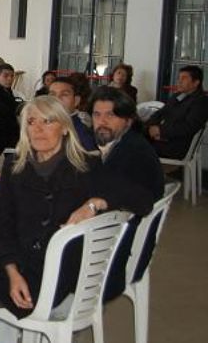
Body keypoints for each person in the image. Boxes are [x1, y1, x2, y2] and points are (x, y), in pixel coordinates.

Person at [0, 96, 152, 343]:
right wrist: (11, 272)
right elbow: (1, 223)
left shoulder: (85, 166)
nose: (38, 129)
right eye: (31, 122)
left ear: (64, 127)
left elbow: (143, 198)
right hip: (16, 260)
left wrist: (94, 204)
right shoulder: (15, 166)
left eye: (48, 121)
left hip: (57, 268)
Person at [88, 86, 164, 302]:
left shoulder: (132, 154)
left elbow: (108, 195)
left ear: (129, 121)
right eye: (96, 114)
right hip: (122, 242)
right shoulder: (126, 144)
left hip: (114, 257)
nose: (102, 121)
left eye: (111, 115)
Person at [146, 65, 208, 159]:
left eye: (184, 78)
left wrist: (161, 131)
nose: (179, 81)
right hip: (162, 138)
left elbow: (189, 127)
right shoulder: (177, 96)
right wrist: (151, 127)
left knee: (134, 148)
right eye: (179, 78)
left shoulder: (201, 101)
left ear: (196, 83)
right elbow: (160, 113)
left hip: (175, 146)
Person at [47, 77, 96, 150]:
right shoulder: (40, 125)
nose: (57, 99)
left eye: (64, 94)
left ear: (76, 101)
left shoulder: (82, 133)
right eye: (52, 95)